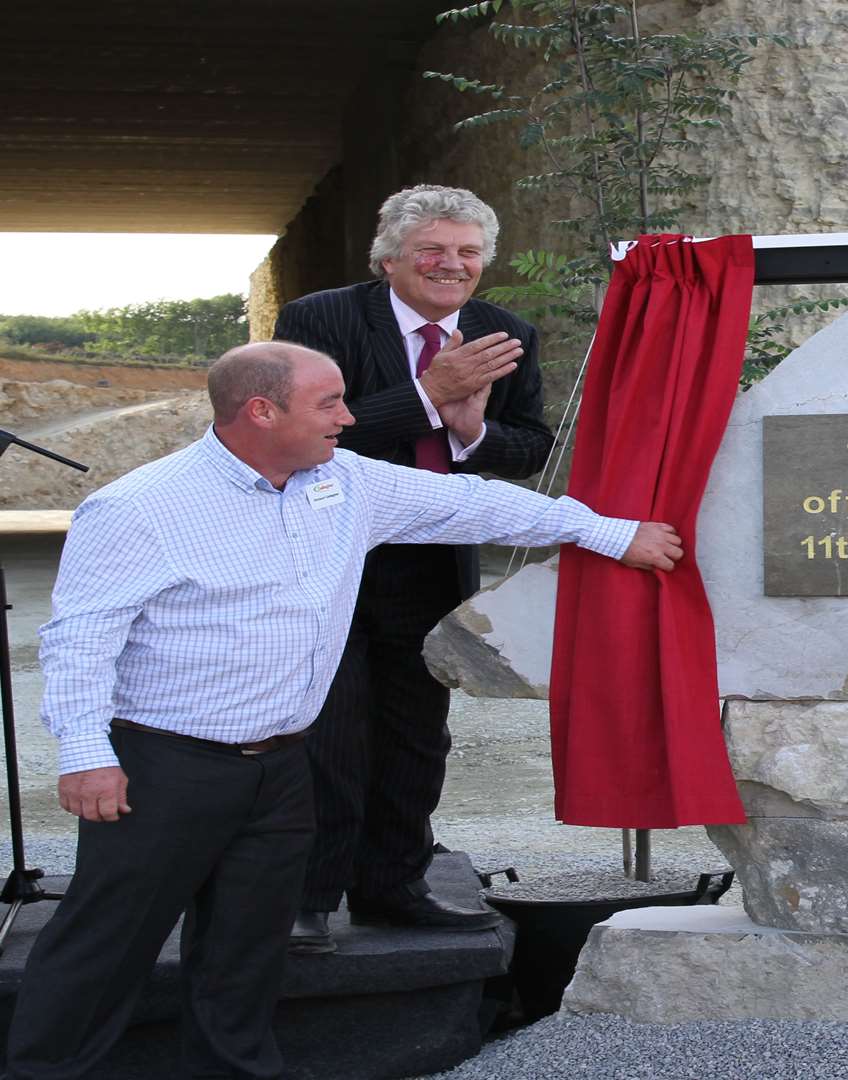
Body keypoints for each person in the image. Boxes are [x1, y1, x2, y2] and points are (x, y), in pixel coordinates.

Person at [7, 342, 680, 1080]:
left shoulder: (345, 481)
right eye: (329, 402)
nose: (350, 417)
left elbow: (472, 503)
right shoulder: (139, 508)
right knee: (106, 947)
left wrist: (611, 533)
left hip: (283, 767)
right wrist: (84, 753)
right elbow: (78, 639)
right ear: (262, 411)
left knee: (247, 953)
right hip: (162, 768)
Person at [272, 185, 549, 951]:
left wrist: (471, 433)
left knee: (417, 735)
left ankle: (394, 887)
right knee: (328, 734)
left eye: (467, 253)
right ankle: (306, 897)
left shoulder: (505, 333)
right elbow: (306, 435)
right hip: (333, 557)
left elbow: (531, 448)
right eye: (433, 249)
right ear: (389, 257)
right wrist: (430, 395)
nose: (450, 265)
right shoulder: (318, 321)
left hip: (430, 563)